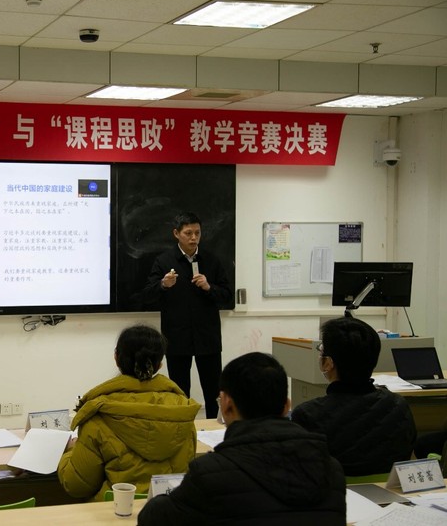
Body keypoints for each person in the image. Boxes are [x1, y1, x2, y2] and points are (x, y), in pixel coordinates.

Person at [137, 352, 346, 526]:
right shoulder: (332, 469)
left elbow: (153, 519)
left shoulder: (210, 474)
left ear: (226, 404)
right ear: (287, 406)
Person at [57, 324, 201, 501]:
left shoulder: (99, 413)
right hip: (169, 509)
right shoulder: (183, 411)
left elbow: (77, 486)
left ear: (116, 358)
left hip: (115, 510)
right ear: (159, 364)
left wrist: (71, 451)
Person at [291, 317, 417, 476]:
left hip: (335, 490)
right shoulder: (398, 406)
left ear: (328, 363)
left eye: (321, 350)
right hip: (389, 489)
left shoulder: (307, 415)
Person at [142, 212, 233, 418]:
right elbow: (147, 295)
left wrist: (209, 287)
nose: (194, 238)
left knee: (213, 389)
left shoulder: (212, 260)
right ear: (176, 234)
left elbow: (227, 295)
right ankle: (181, 427)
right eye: (188, 233)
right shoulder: (164, 261)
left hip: (207, 336)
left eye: (197, 233)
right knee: (179, 390)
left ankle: (214, 427)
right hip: (176, 337)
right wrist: (163, 284)